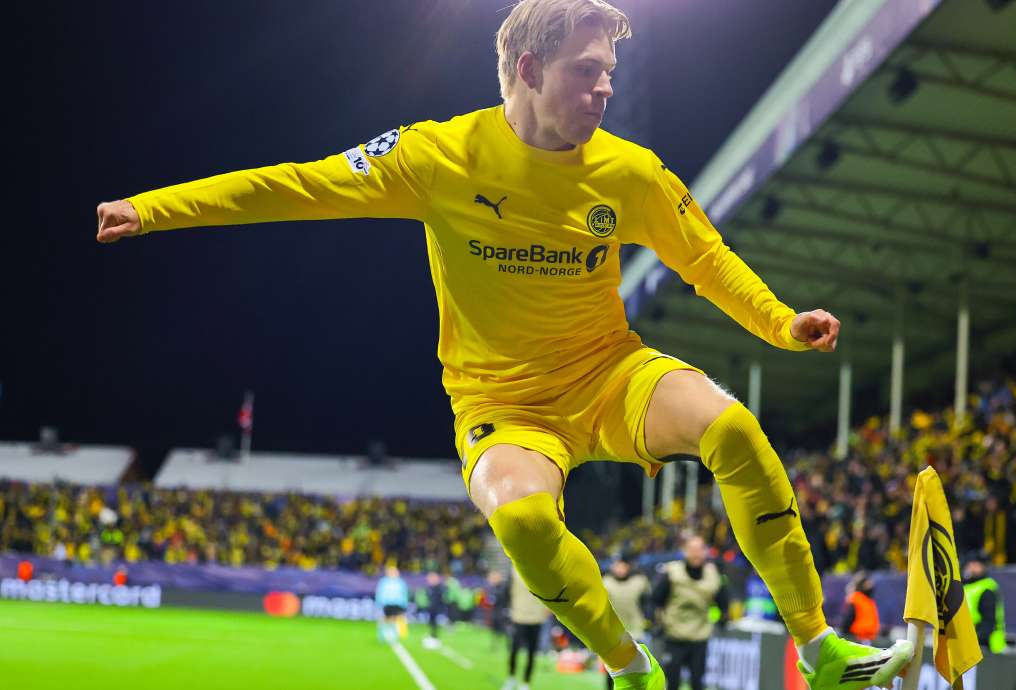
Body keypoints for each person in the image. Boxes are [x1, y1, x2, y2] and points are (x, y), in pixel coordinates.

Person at [94, 1, 914, 687]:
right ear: (527, 68)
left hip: (611, 373)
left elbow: (705, 259)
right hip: (503, 405)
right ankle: (631, 669)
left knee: (732, 428)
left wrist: (780, 322)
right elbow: (298, 185)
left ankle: (818, 646)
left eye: (609, 72)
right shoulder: (437, 156)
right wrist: (153, 209)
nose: (604, 87)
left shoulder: (629, 172)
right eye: (585, 71)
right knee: (521, 520)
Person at [651, 535, 729, 690]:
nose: (696, 554)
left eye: (700, 549)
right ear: (685, 551)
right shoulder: (672, 573)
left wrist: (723, 617)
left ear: (705, 552)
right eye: (692, 549)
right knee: (672, 682)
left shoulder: (713, 575)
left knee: (697, 683)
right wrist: (656, 621)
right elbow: (655, 599)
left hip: (699, 637)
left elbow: (724, 602)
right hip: (674, 636)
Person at [604, 553, 652, 690]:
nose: (619, 568)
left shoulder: (639, 582)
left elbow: (648, 603)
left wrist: (649, 620)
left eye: (622, 565)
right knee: (613, 670)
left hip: (636, 630)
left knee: (638, 668)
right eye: (617, 565)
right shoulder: (605, 582)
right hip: (614, 632)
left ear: (628, 566)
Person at [505, 567, 552, 690]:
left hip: (536, 617)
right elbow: (508, 590)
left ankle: (526, 682)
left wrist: (548, 608)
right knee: (514, 650)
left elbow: (548, 590)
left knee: (531, 652)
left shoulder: (541, 570)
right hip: (519, 615)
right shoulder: (514, 569)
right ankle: (511, 678)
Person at [962, 553, 1005, 654]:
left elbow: (989, 621)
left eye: (975, 564)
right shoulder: (967, 586)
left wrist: (977, 640)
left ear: (983, 567)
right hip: (971, 642)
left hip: (988, 645)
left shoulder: (987, 588)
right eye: (970, 564)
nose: (971, 567)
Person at [839, 573, 880, 645]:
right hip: (855, 638)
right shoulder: (855, 599)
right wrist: (847, 636)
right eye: (867, 584)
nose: (870, 586)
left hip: (868, 638)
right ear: (861, 585)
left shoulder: (868, 600)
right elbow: (848, 619)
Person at [375, 563, 411, 643]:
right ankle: (381, 635)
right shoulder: (383, 582)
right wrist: (378, 602)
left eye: (395, 571)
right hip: (387, 603)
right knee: (384, 619)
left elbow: (404, 593)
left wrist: (404, 603)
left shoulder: (401, 582)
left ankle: (394, 635)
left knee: (396, 619)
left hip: (398, 603)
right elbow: (379, 592)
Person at [421, 571, 448, 649]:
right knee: (432, 623)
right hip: (432, 608)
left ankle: (435, 637)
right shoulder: (431, 588)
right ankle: (433, 635)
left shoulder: (440, 587)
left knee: (435, 623)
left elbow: (442, 598)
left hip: (437, 608)